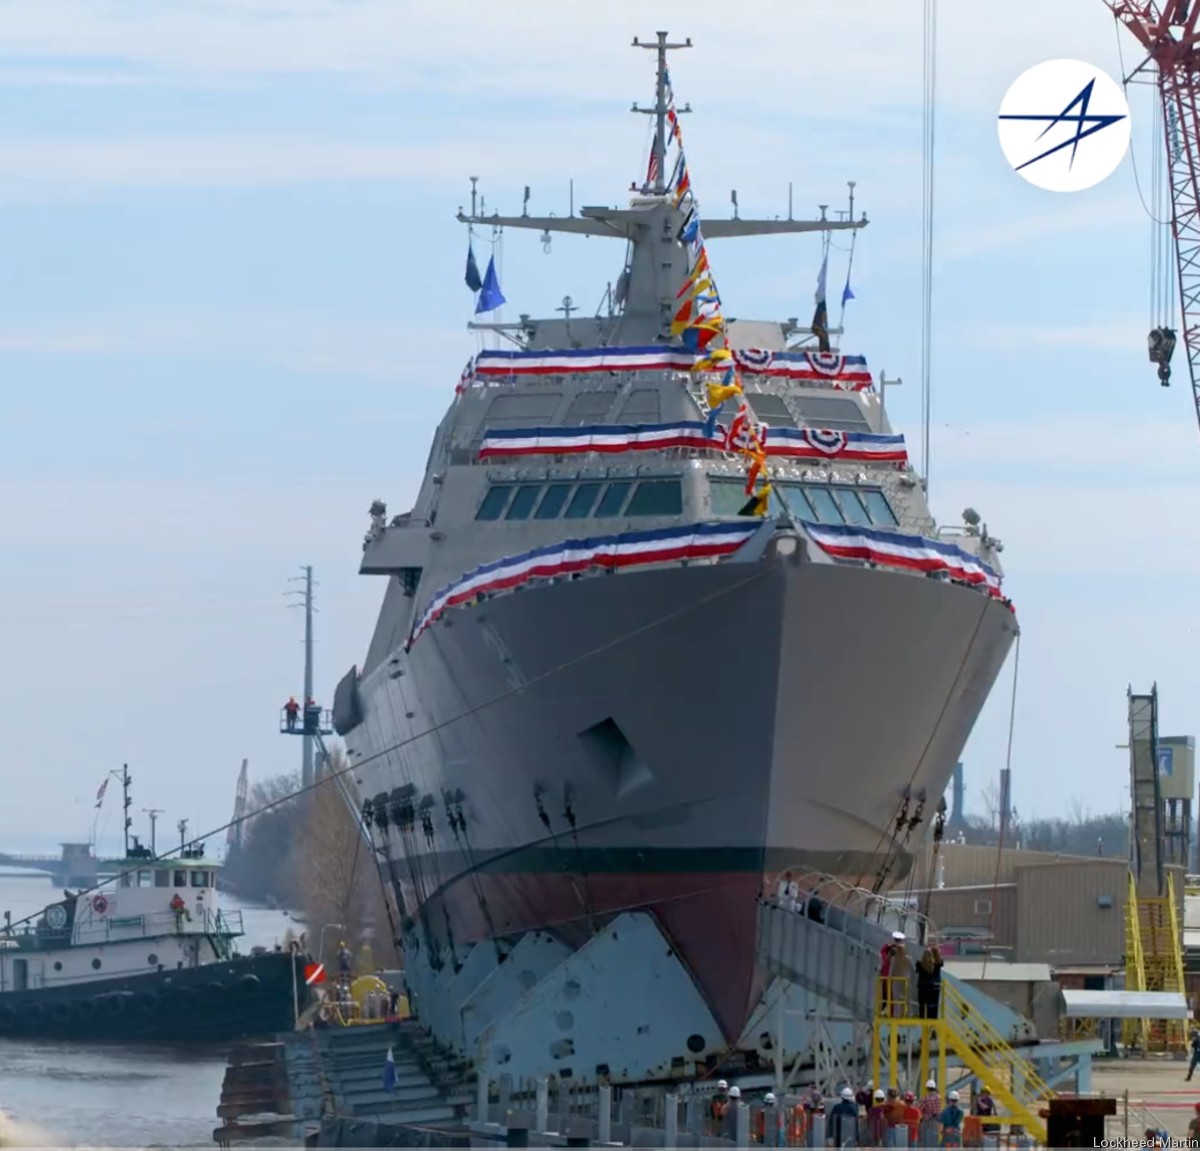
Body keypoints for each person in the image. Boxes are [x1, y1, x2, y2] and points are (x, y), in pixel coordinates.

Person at [889, 937, 915, 1017]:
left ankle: (897, 1014)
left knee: (897, 1000)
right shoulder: (908, 959)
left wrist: (891, 978)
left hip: (896, 982)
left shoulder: (894, 959)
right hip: (906, 981)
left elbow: (891, 972)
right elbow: (913, 970)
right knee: (907, 999)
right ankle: (909, 1013)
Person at [916, 945, 944, 1018]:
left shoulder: (920, 963)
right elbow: (941, 962)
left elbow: (917, 969)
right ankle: (933, 1020)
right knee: (934, 1005)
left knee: (922, 1004)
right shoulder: (937, 963)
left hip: (922, 986)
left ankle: (922, 1016)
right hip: (935, 985)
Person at [919, 1079, 942, 1148]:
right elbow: (938, 1111)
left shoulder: (925, 1098)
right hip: (935, 1122)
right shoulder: (938, 1097)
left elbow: (919, 1108)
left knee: (925, 1140)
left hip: (926, 1122)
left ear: (927, 1088)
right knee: (934, 1140)